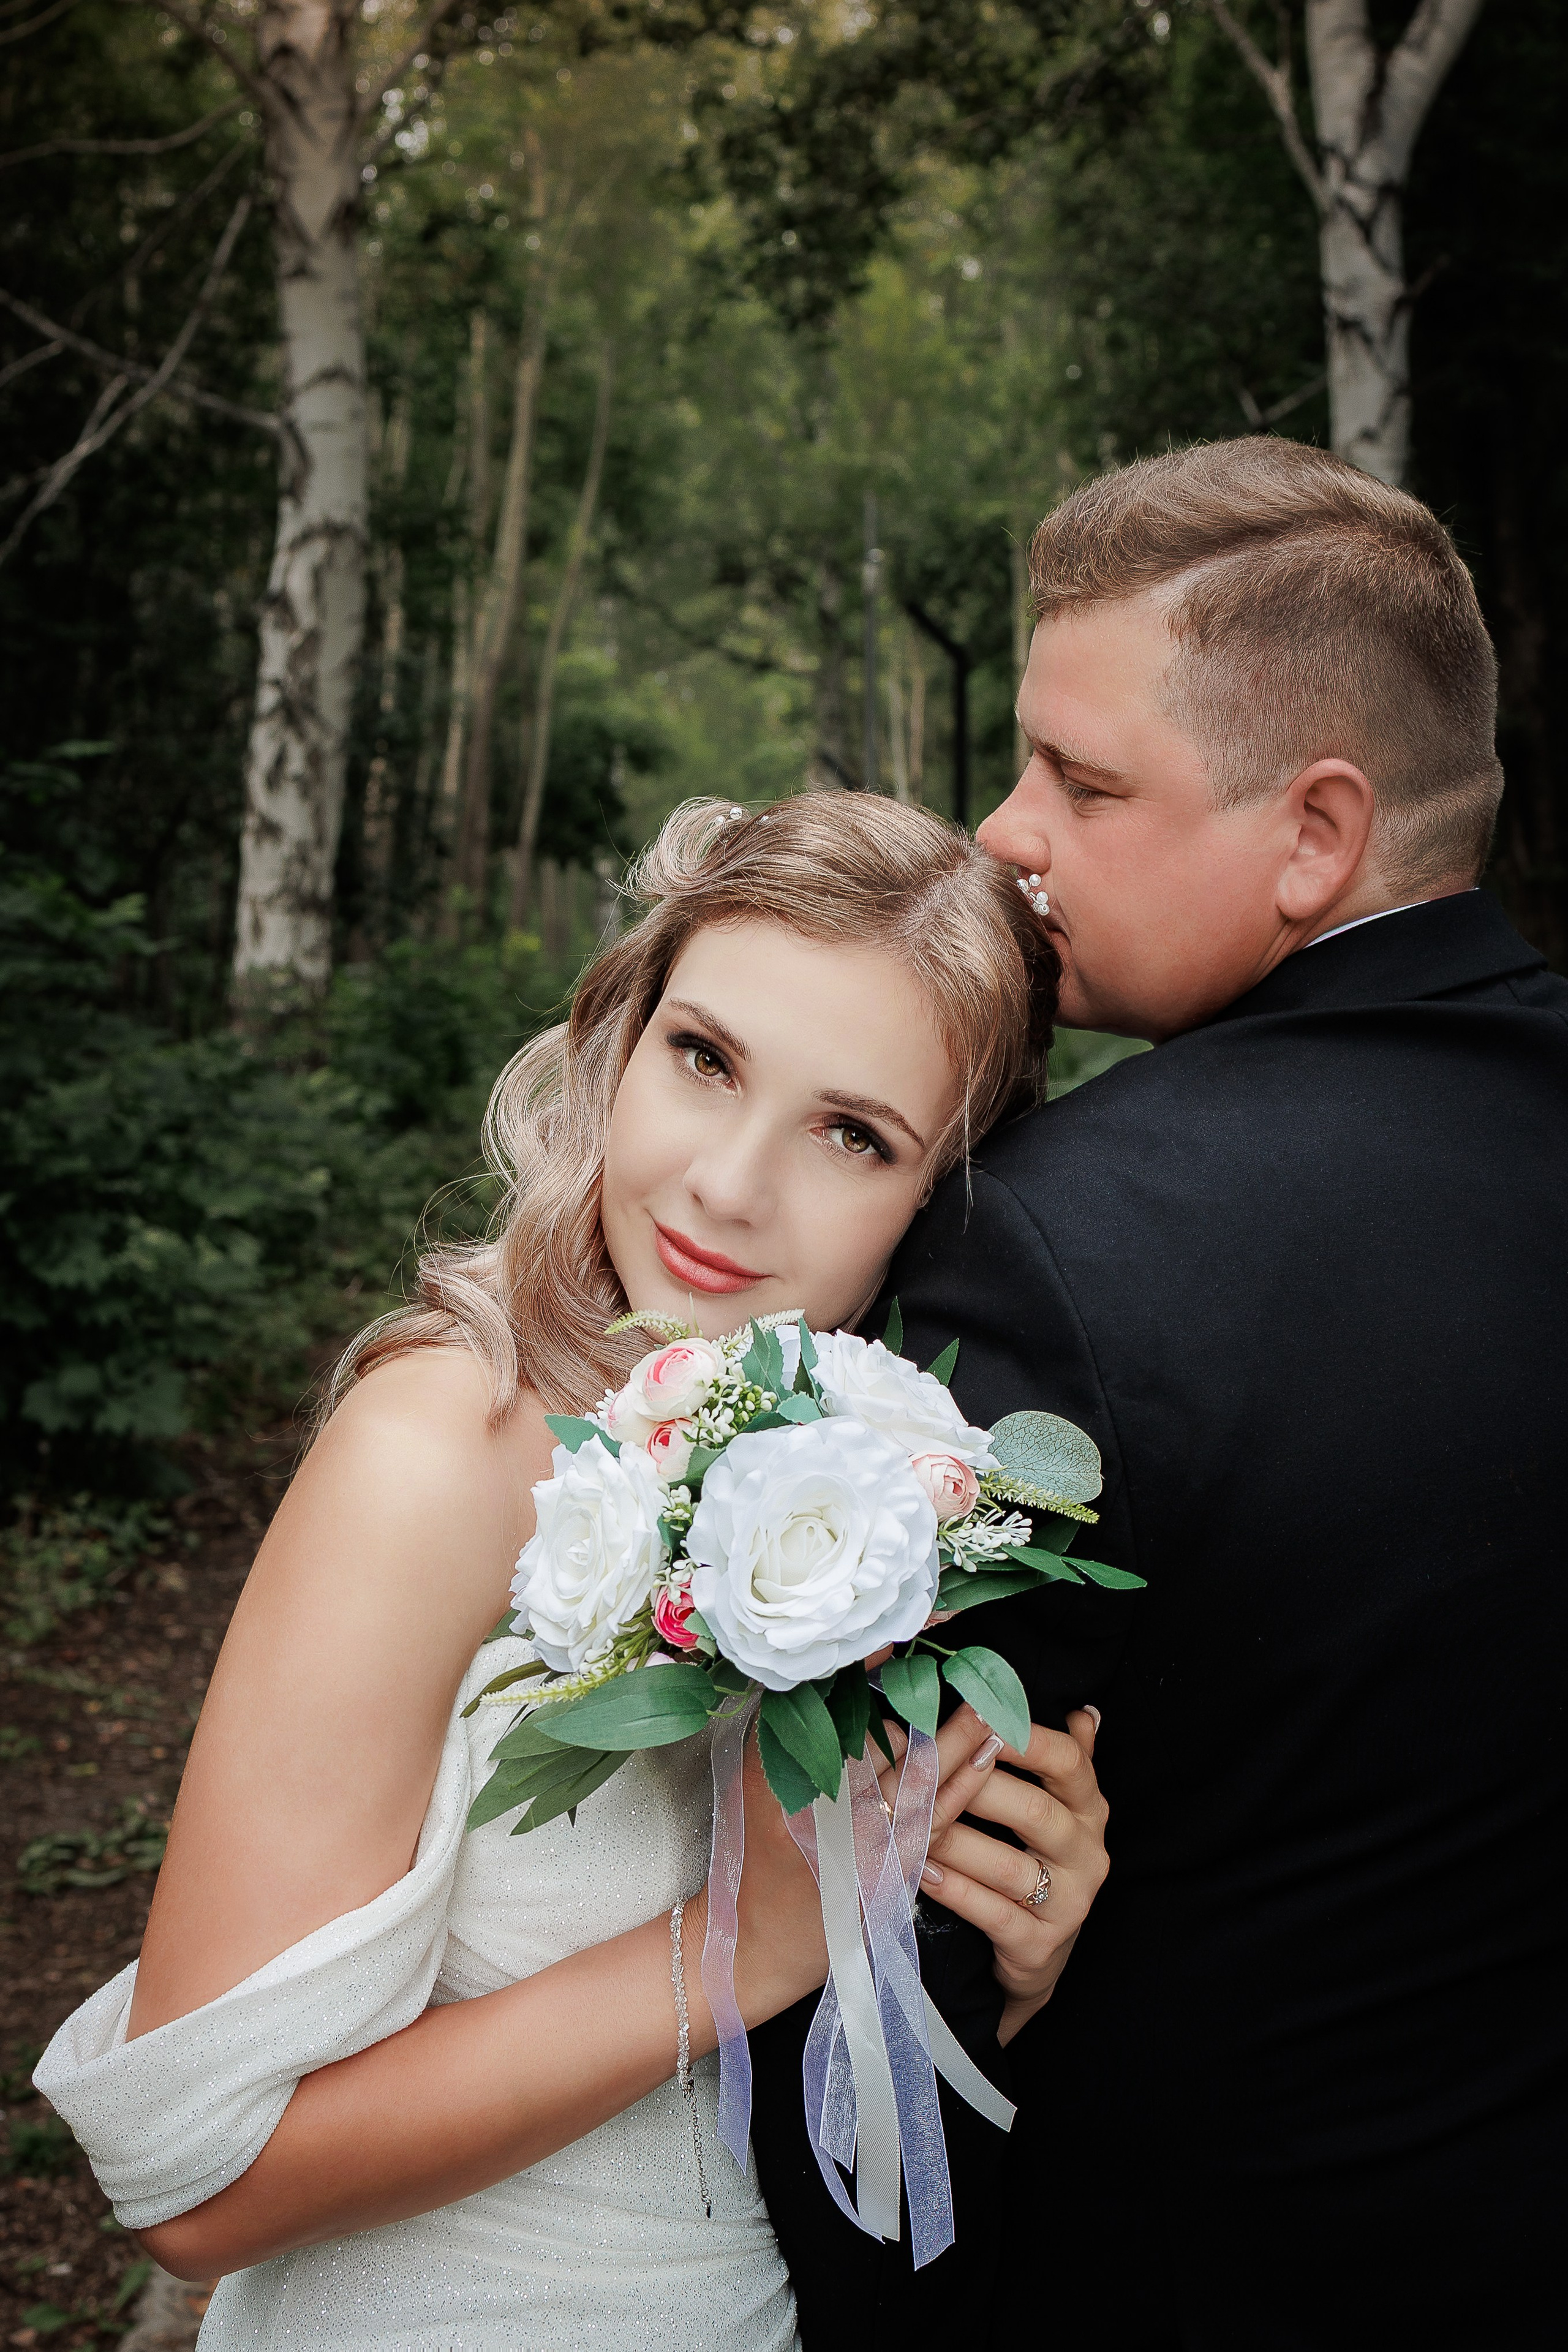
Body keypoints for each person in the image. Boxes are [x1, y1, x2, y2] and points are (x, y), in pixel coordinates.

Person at [37, 794, 1112, 2351]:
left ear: (938, 1199)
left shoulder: (891, 1503)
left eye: (851, 1132)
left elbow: (828, 2074)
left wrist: (986, 1939)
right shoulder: (438, 1449)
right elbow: (194, 2185)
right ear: (618, 1036)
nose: (728, 1186)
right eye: (705, 1058)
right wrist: (739, 1945)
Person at [832, 437, 1567, 2348]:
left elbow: (897, 1933)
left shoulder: (1054, 1245)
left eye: (1081, 782)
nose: (1007, 832)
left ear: (1316, 835)